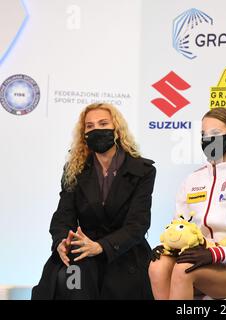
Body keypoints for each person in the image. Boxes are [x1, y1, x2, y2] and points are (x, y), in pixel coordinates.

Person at [32, 103, 156, 299]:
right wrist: (62, 241)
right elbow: (63, 216)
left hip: (124, 251)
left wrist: (101, 247)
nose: (96, 129)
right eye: (89, 126)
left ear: (116, 129)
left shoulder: (143, 170)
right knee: (67, 281)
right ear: (84, 134)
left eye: (103, 123)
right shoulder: (74, 169)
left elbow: (138, 224)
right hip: (82, 250)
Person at [149, 107, 226, 300]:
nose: (208, 139)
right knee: (158, 265)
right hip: (196, 257)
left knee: (184, 269)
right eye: (204, 134)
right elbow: (179, 225)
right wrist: (168, 245)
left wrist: (215, 254)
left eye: (215, 133)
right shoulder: (192, 179)